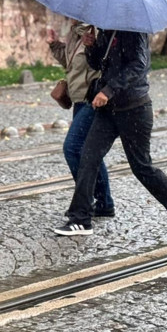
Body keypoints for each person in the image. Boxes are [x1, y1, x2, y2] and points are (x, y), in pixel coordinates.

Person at [54, 29, 167, 237]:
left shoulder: (134, 31)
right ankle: (80, 219)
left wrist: (108, 90)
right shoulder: (106, 30)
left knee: (141, 167)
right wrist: (91, 47)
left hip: (134, 109)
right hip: (108, 111)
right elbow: (98, 65)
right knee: (88, 156)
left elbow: (139, 65)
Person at [47, 21, 114, 217]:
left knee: (72, 148)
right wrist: (54, 45)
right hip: (78, 99)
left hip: (92, 99)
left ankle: (85, 200)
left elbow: (101, 63)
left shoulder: (95, 29)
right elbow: (72, 66)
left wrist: (93, 45)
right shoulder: (75, 32)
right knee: (89, 152)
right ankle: (104, 203)